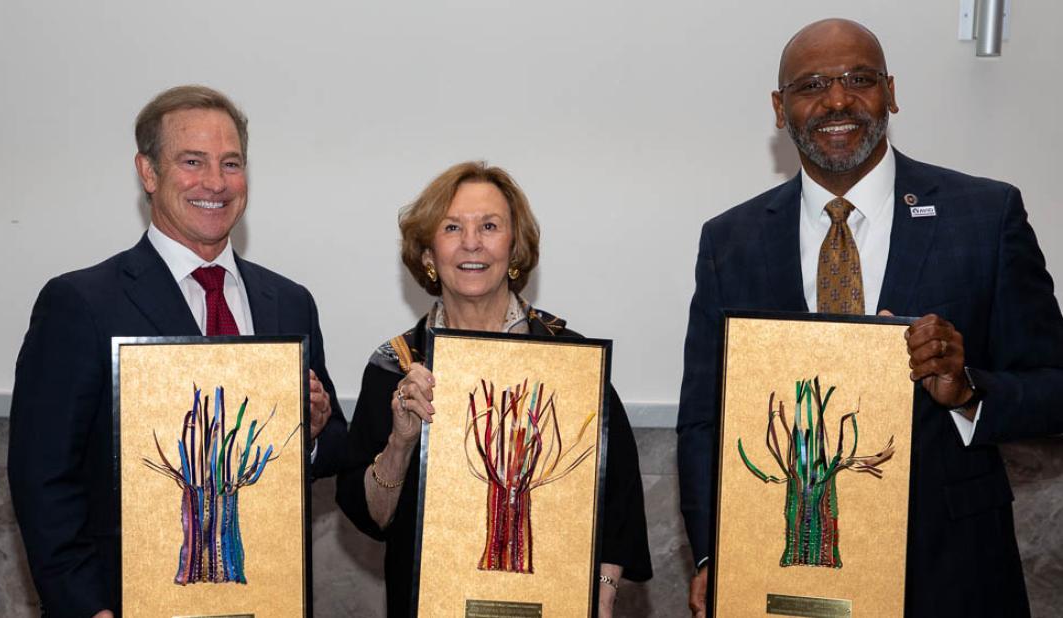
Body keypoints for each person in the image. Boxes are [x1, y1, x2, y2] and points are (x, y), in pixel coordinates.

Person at [678, 18, 1063, 618]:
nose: (837, 100)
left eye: (859, 79)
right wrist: (712, 555)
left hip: (952, 572)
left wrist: (968, 392)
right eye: (812, 85)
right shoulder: (730, 241)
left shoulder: (985, 218)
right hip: (785, 570)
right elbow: (705, 419)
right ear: (780, 109)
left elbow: (1054, 384)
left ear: (891, 91)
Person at [7, 85, 347, 618]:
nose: (215, 182)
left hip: (266, 599)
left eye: (231, 163)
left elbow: (331, 455)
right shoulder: (80, 302)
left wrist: (315, 429)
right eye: (192, 161)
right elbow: (42, 476)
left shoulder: (289, 302)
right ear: (148, 172)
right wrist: (85, 609)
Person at [335, 161, 652, 616]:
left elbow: (619, 492)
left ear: (515, 248)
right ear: (427, 255)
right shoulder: (393, 367)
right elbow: (373, 518)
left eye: (489, 226)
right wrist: (401, 441)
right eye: (451, 227)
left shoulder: (569, 359)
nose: (471, 243)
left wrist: (602, 590)